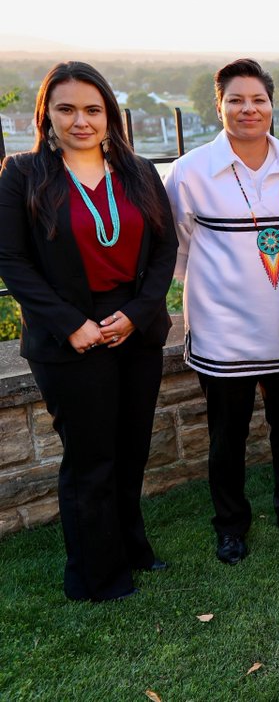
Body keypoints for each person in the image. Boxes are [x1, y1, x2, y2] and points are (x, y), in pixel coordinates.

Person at [0, 61, 177, 600]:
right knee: (91, 457)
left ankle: (133, 548)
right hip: (68, 336)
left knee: (130, 450)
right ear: (47, 115)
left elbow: (166, 249)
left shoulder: (140, 171)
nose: (81, 120)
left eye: (92, 109)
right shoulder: (23, 173)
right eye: (67, 109)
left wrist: (141, 312)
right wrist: (70, 324)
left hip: (135, 329)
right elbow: (11, 259)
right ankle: (95, 574)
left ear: (109, 115)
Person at [165, 59, 279, 566]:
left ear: (272, 105)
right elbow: (179, 251)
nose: (248, 109)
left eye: (257, 99)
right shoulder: (189, 173)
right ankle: (231, 525)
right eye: (236, 100)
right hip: (222, 330)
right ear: (219, 106)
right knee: (226, 438)